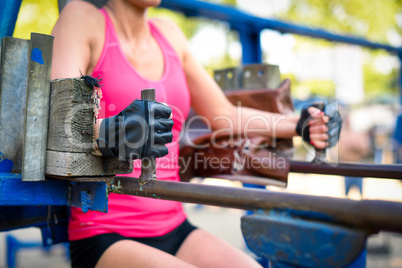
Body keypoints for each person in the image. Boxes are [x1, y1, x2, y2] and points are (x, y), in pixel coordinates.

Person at [51, 0, 336, 267]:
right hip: (104, 233)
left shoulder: (169, 34)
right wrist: (112, 131)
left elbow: (224, 117)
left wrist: (298, 124)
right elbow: (58, 124)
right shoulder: (82, 18)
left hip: (173, 227)